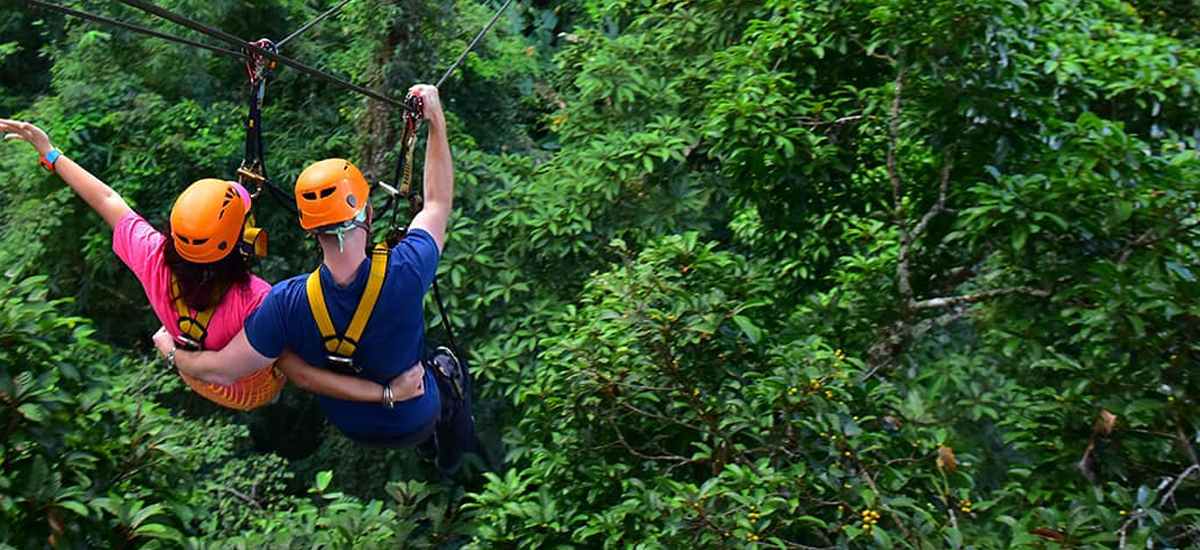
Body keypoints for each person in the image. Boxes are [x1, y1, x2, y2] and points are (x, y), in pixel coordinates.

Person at [153, 85, 478, 469]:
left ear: (309, 229)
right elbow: (437, 201)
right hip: (413, 416)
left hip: (350, 423)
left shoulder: (286, 304)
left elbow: (222, 368)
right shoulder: (407, 269)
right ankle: (452, 452)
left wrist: (173, 353)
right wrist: (435, 120)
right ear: (368, 214)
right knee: (443, 365)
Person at [1, 118, 420, 410]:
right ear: (243, 241)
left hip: (192, 371)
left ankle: (172, 341)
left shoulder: (153, 257)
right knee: (279, 366)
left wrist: (50, 153)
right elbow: (303, 374)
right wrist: (387, 394)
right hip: (249, 389)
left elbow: (108, 201)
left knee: (175, 336)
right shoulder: (259, 300)